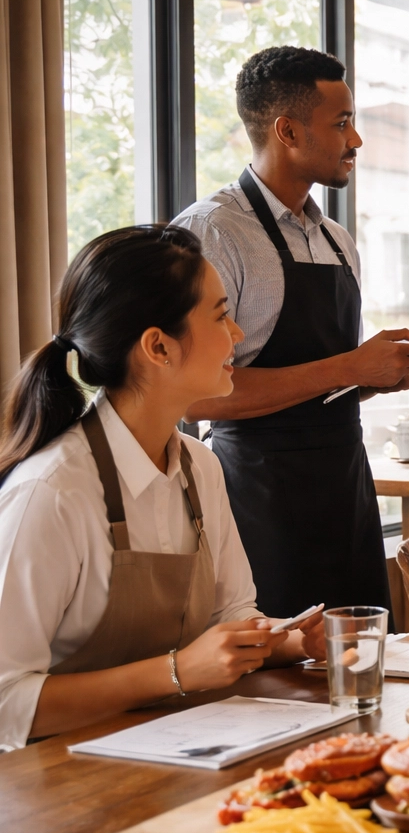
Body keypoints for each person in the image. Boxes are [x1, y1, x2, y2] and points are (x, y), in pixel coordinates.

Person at [0, 226, 328, 751]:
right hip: (58, 786)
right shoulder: (52, 492)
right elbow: (5, 704)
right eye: (221, 315)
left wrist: (290, 637)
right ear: (158, 347)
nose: (238, 334)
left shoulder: (200, 465)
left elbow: (232, 614)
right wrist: (177, 672)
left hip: (176, 751)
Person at [174, 47, 409, 619]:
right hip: (256, 495)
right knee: (276, 685)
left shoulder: (336, 239)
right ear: (288, 130)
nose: (358, 141)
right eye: (343, 123)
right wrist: (348, 367)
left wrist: (382, 375)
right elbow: (196, 395)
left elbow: (324, 386)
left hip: (346, 486)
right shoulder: (213, 233)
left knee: (365, 665)